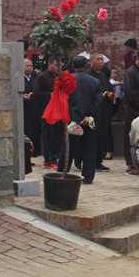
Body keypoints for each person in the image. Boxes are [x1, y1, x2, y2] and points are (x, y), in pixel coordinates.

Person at [57, 56, 102, 184]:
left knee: (67, 148)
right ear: (87, 67)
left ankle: (62, 173)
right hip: (88, 121)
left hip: (71, 120)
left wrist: (75, 118)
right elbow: (97, 102)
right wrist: (87, 117)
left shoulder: (66, 81)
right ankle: (87, 177)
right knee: (89, 148)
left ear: (72, 67)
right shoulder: (95, 82)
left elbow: (64, 101)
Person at [34, 56, 63, 170]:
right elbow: (37, 92)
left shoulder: (59, 76)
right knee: (48, 134)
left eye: (60, 66)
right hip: (45, 110)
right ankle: (51, 158)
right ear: (49, 65)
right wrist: (50, 95)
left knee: (57, 134)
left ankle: (49, 158)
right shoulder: (42, 77)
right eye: (56, 65)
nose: (58, 68)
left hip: (58, 110)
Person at [87, 51, 112, 172]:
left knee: (102, 135)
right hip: (91, 110)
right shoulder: (88, 74)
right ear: (90, 61)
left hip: (103, 110)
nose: (101, 62)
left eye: (102, 59)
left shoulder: (102, 75)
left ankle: (98, 160)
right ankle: (88, 161)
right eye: (98, 59)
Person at [23, 58, 41, 157]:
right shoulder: (20, 79)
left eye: (31, 66)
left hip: (34, 109)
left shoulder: (35, 79)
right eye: (27, 66)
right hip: (24, 109)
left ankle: (34, 152)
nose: (29, 68)